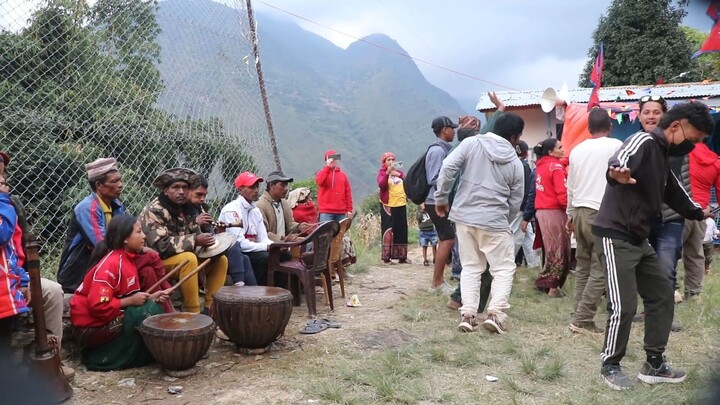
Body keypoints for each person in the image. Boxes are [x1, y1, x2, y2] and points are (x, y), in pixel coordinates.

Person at [592, 102, 713, 390]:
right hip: (614, 234)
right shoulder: (644, 140)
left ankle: (654, 363)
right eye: (693, 139)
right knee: (624, 305)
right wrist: (615, 172)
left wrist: (698, 212)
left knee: (662, 294)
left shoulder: (663, 155)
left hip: (638, 238)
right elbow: (620, 159)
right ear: (676, 126)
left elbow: (674, 191)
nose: (693, 147)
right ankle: (610, 364)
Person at [435, 113, 524, 334]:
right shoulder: (515, 162)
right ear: (515, 136)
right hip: (494, 220)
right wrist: (504, 218)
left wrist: (442, 198)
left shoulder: (471, 143)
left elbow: (447, 168)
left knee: (471, 267)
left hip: (464, 218)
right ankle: (495, 314)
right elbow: (516, 200)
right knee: (503, 268)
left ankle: (468, 315)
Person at [0, 156, 74, 378]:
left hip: (10, 276)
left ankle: (49, 358)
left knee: (52, 291)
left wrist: (23, 281)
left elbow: (16, 252)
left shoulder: (10, 205)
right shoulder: (5, 205)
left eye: (2, 174)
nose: (2, 180)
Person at [70, 215, 171, 371]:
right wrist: (131, 301)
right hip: (90, 328)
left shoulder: (127, 259)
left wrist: (151, 297)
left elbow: (123, 297)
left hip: (106, 317)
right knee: (147, 314)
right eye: (139, 232)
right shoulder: (111, 264)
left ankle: (144, 354)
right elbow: (98, 306)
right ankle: (108, 358)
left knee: (153, 307)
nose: (144, 236)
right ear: (125, 238)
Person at [140, 168, 228, 314]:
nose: (181, 191)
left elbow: (197, 234)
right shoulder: (155, 210)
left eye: (185, 188)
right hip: (157, 262)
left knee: (221, 259)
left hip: (181, 259)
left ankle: (210, 309)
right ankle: (193, 313)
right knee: (189, 259)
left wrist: (214, 243)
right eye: (175, 187)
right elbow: (160, 246)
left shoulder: (185, 209)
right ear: (166, 190)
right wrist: (195, 240)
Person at [566, 108, 622, 335]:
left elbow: (570, 185)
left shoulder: (577, 150)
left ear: (588, 129)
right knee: (601, 267)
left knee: (583, 266)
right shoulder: (617, 145)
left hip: (579, 210)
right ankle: (583, 318)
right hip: (602, 212)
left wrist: (570, 214)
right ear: (610, 126)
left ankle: (577, 311)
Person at [57, 158, 125, 292]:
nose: (120, 185)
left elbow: (125, 236)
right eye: (114, 181)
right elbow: (102, 245)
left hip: (107, 261)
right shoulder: (88, 208)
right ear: (99, 185)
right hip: (77, 273)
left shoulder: (117, 205)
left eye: (120, 179)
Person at [219, 172, 287, 285]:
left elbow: (263, 238)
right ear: (240, 190)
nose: (256, 190)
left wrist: (274, 246)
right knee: (264, 258)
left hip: (253, 248)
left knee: (284, 255)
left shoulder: (255, 211)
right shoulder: (232, 210)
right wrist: (266, 247)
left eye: (256, 186)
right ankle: (260, 293)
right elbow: (239, 243)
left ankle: (279, 292)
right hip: (237, 253)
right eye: (251, 187)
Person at [189, 176, 256, 286]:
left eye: (204, 195)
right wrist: (197, 223)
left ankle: (253, 295)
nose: (202, 199)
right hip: (193, 248)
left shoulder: (201, 208)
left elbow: (211, 235)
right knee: (236, 245)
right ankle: (240, 287)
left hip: (206, 247)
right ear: (189, 191)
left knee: (244, 258)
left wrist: (219, 231)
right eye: (198, 194)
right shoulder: (184, 209)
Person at [531, 138, 570, 297]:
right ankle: (553, 287)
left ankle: (545, 282)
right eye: (560, 147)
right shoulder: (556, 167)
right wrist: (569, 211)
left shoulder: (541, 166)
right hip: (555, 211)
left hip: (541, 211)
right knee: (561, 249)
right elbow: (562, 193)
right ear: (550, 152)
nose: (563, 149)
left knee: (550, 249)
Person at [681, 140, 720, 299]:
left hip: (677, 209)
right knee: (695, 253)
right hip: (701, 212)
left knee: (669, 251)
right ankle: (694, 293)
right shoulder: (715, 161)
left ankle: (671, 290)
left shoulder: (680, 153)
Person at [425, 116, 458, 293]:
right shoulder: (438, 151)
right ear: (445, 130)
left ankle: (438, 280)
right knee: (448, 239)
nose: (454, 131)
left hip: (439, 200)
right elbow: (434, 178)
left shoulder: (445, 149)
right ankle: (437, 282)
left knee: (445, 238)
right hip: (435, 201)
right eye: (452, 128)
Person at [257, 171, 309, 242]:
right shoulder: (261, 205)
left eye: (286, 185)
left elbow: (290, 224)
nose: (286, 188)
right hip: (270, 247)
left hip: (284, 245)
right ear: (271, 186)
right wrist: (285, 239)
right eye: (282, 185)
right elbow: (263, 233)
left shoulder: (284, 202)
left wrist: (299, 226)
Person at [377, 152, 409, 264]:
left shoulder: (399, 172)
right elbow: (381, 185)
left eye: (392, 159)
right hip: (388, 205)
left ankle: (401, 256)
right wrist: (387, 173)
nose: (391, 162)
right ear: (384, 162)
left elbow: (407, 181)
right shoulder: (382, 173)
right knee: (388, 229)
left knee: (401, 229)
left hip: (400, 203)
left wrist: (398, 175)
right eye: (388, 160)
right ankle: (387, 257)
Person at [316, 150, 353, 222]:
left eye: (335, 159)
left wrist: (349, 210)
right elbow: (320, 181)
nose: (333, 161)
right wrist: (328, 167)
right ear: (326, 160)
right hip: (326, 212)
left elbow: (347, 193)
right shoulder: (322, 173)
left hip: (341, 212)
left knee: (341, 233)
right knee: (326, 233)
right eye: (331, 159)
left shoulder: (343, 176)